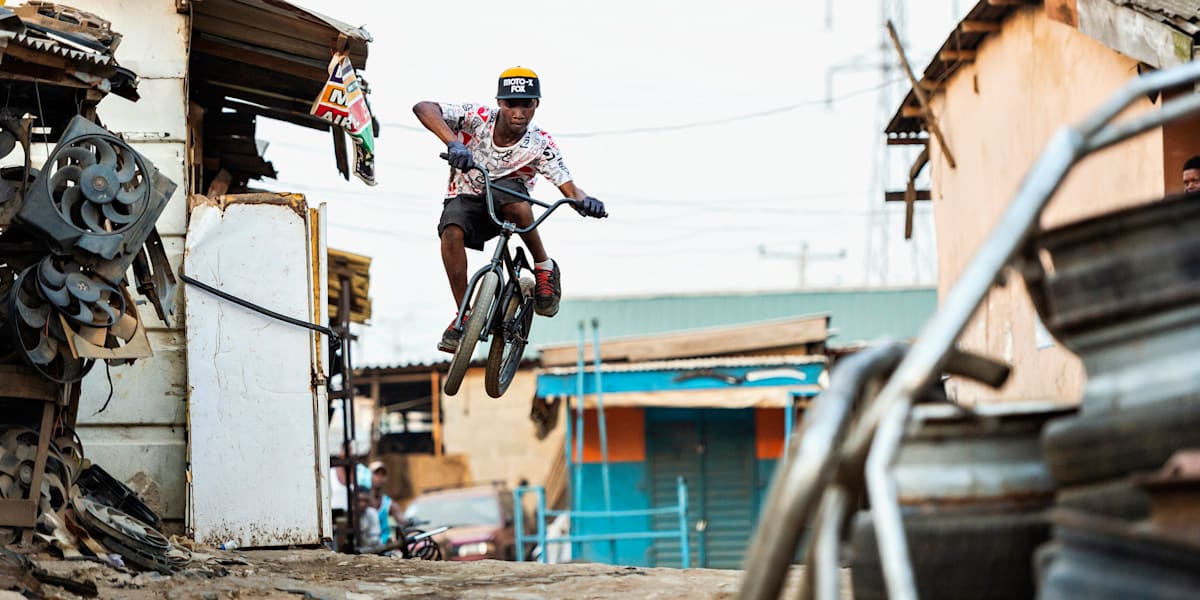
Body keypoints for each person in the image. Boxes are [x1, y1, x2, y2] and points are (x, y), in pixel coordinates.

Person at [413, 66, 608, 353]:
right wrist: (454, 143)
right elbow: (423, 107)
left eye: (526, 105)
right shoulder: (477, 119)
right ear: (499, 103)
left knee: (515, 197)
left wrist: (585, 201)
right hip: (465, 198)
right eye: (511, 104)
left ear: (536, 105)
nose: (518, 112)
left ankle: (543, 267)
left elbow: (569, 187)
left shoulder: (540, 144)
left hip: (508, 204)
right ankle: (464, 314)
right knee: (450, 232)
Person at [368, 460, 405, 546]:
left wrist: (409, 522)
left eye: (382, 474)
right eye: (376, 474)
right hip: (367, 546)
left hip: (385, 547)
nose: (379, 477)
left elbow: (401, 521)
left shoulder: (388, 503)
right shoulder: (363, 501)